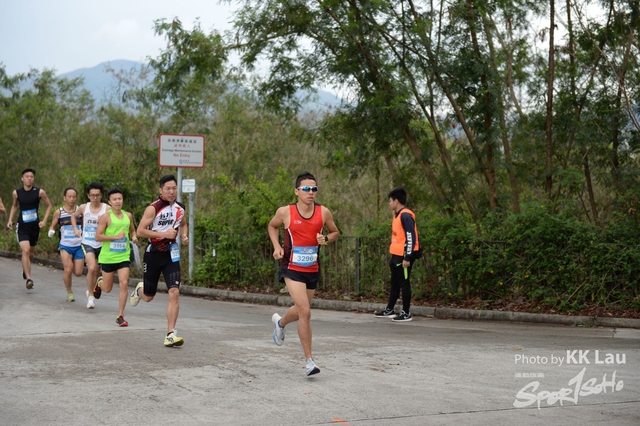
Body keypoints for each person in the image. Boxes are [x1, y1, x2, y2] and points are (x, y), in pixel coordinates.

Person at [267, 171, 339, 376]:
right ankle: (309, 361)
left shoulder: (323, 212)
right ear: (296, 191)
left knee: (301, 310)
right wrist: (276, 246)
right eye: (306, 188)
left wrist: (326, 239)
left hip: (312, 268)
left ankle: (280, 323)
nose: (311, 192)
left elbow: (335, 232)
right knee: (305, 311)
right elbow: (272, 226)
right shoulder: (286, 212)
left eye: (314, 188)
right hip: (292, 268)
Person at [129, 175, 188, 347]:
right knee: (148, 297)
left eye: (174, 188)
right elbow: (140, 231)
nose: (171, 192)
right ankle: (139, 290)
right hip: (153, 255)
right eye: (168, 189)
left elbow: (183, 223)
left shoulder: (180, 208)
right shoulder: (153, 208)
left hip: (171, 256)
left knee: (174, 292)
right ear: (160, 190)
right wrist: (163, 234)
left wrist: (184, 235)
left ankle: (170, 334)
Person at [374, 188, 421, 322]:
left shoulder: (405, 216)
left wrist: (408, 257)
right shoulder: (397, 215)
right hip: (396, 254)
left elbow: (411, 237)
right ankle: (390, 309)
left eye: (390, 201)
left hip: (404, 255)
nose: (389, 204)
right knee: (394, 283)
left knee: (404, 283)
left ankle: (406, 312)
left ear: (396, 201)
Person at [95, 188, 137, 326]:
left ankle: (120, 316)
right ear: (109, 202)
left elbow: (132, 230)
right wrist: (115, 236)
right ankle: (100, 283)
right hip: (108, 257)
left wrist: (134, 237)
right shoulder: (106, 217)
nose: (118, 201)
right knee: (107, 289)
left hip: (123, 256)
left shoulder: (128, 216)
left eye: (120, 199)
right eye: (115, 199)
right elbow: (98, 236)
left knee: (124, 283)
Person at [6, 168, 53, 289]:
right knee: (25, 250)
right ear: (22, 178)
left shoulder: (39, 192)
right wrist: (10, 220)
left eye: (31, 177)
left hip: (34, 227)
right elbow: (14, 206)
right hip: (22, 226)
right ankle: (29, 279)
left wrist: (44, 221)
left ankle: (25, 268)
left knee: (31, 253)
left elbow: (49, 206)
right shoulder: (17, 193)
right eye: (27, 176)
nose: (29, 179)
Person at [71, 182, 110, 309]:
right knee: (92, 268)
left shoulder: (107, 209)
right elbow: (73, 217)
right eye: (92, 195)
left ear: (101, 195)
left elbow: (115, 221)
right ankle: (91, 297)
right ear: (88, 196)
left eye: (97, 195)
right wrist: (76, 229)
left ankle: (91, 289)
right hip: (87, 242)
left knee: (96, 270)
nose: (95, 198)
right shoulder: (84, 207)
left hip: (102, 243)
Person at [47, 188, 84, 302]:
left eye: (74, 197)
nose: (72, 199)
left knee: (78, 273)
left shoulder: (80, 210)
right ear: (64, 198)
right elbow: (53, 225)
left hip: (79, 245)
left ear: (76, 198)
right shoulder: (59, 212)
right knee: (68, 270)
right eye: (69, 197)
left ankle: (72, 269)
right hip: (65, 245)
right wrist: (51, 230)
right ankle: (69, 293)